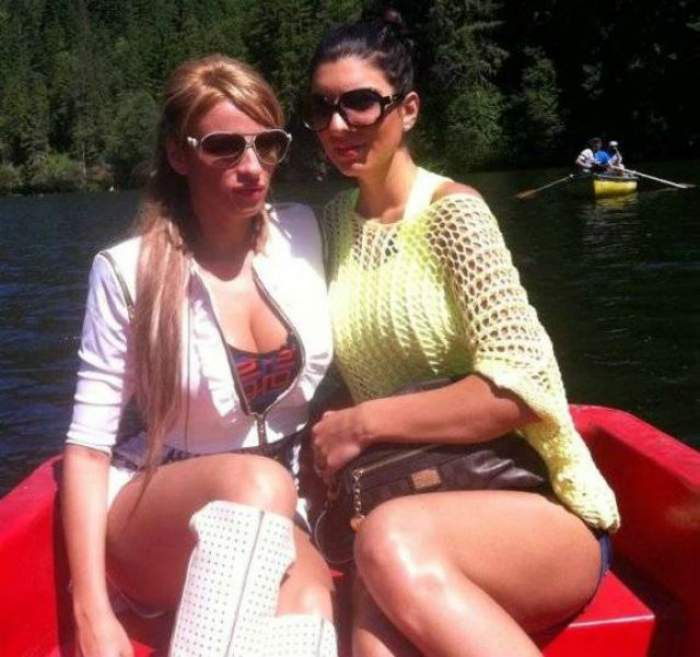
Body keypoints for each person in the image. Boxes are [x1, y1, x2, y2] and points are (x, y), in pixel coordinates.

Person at [304, 11, 620, 657]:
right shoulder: (331, 225)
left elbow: (522, 390)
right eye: (321, 108)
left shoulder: (454, 215)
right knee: (371, 619)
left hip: (536, 505)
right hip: (406, 502)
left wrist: (360, 424)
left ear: (408, 109)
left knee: (385, 544)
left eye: (359, 102)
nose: (338, 126)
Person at [62, 54, 338, 657]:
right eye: (224, 147)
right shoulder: (128, 272)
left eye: (267, 145)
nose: (252, 167)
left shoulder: (301, 234)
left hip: (282, 502)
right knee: (258, 483)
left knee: (311, 610)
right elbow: (87, 449)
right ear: (179, 155)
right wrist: (92, 612)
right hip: (156, 511)